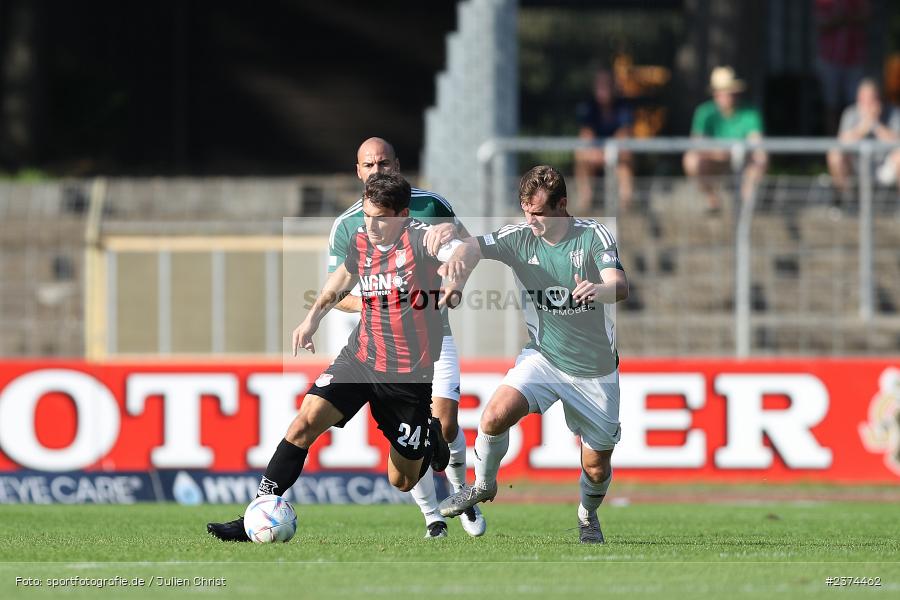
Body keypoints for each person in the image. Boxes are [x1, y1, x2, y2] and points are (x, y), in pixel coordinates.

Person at [207, 172, 458, 542]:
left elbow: (463, 254)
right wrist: (311, 319)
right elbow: (340, 280)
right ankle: (256, 514)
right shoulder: (361, 240)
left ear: (403, 214)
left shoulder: (422, 240)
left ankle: (429, 438)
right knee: (303, 424)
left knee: (402, 479)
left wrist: (453, 267)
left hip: (406, 376)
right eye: (368, 216)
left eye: (381, 218)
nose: (372, 226)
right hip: (359, 358)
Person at [431, 165, 629, 544]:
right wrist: (458, 262)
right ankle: (483, 486)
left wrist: (597, 290)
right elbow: (475, 245)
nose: (530, 220)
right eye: (525, 210)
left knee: (596, 466)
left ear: (562, 205)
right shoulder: (520, 236)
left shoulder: (592, 236)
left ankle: (587, 515)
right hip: (543, 357)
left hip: (595, 372)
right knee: (493, 416)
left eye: (538, 212)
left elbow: (619, 284)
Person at [326, 137, 485, 538]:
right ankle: (432, 516)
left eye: (383, 163)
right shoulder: (347, 224)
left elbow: (469, 248)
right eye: (368, 165)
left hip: (434, 332)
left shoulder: (431, 204)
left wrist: (456, 253)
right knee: (408, 430)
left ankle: (462, 491)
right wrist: (383, 304)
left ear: (397, 165)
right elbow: (336, 292)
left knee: (444, 423)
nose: (377, 171)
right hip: (382, 346)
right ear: (358, 172)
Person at [682, 66, 767, 212]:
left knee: (761, 157)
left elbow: (757, 144)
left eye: (730, 91)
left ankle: (746, 202)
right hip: (715, 161)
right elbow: (696, 144)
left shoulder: (750, 112)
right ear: (715, 93)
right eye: (723, 91)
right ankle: (712, 200)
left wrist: (735, 152)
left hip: (742, 160)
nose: (727, 95)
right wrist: (721, 153)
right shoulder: (705, 113)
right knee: (691, 160)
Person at [574, 68, 635, 212]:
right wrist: (600, 154)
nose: (603, 87)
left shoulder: (624, 106)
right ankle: (585, 203)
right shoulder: (588, 107)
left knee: (625, 160)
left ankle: (626, 207)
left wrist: (608, 153)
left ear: (614, 86)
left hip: (617, 155)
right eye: (599, 84)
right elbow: (586, 135)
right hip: (595, 155)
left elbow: (624, 135)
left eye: (606, 83)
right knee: (580, 154)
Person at [827, 78, 900, 196]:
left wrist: (875, 125)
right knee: (835, 154)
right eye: (863, 99)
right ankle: (844, 200)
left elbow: (897, 141)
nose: (867, 103)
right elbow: (841, 142)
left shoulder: (893, 112)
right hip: (856, 167)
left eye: (871, 99)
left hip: (883, 168)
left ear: (878, 99)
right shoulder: (850, 113)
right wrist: (862, 128)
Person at [814, 0, 869, 135]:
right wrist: (841, 20)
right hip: (830, 58)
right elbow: (820, 23)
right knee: (830, 105)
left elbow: (866, 16)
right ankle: (834, 145)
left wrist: (844, 18)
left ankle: (853, 140)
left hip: (854, 58)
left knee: (854, 105)